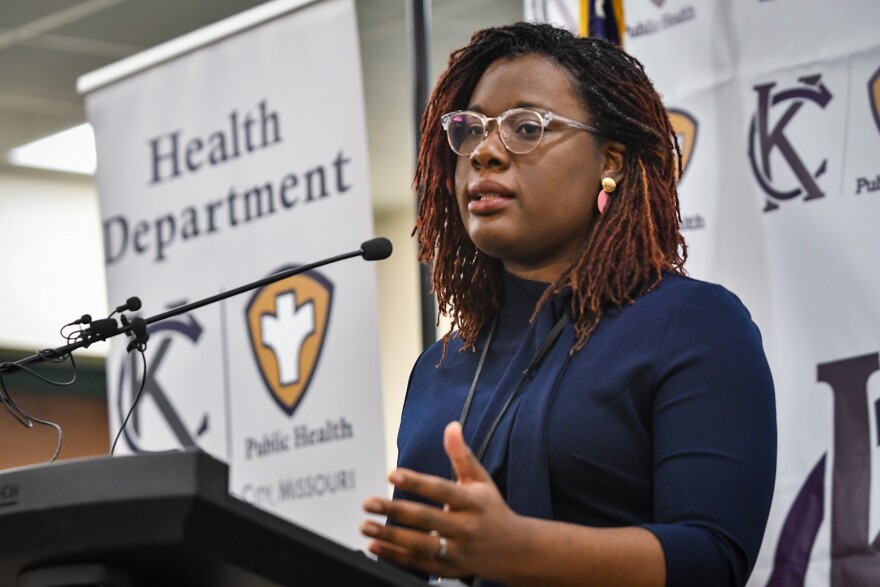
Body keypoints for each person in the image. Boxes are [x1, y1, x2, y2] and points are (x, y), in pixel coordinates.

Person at [360, 22, 776, 587]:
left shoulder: (693, 325)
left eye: (525, 127)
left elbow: (712, 558)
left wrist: (520, 550)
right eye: (470, 130)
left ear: (612, 161)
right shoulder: (438, 368)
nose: (484, 152)